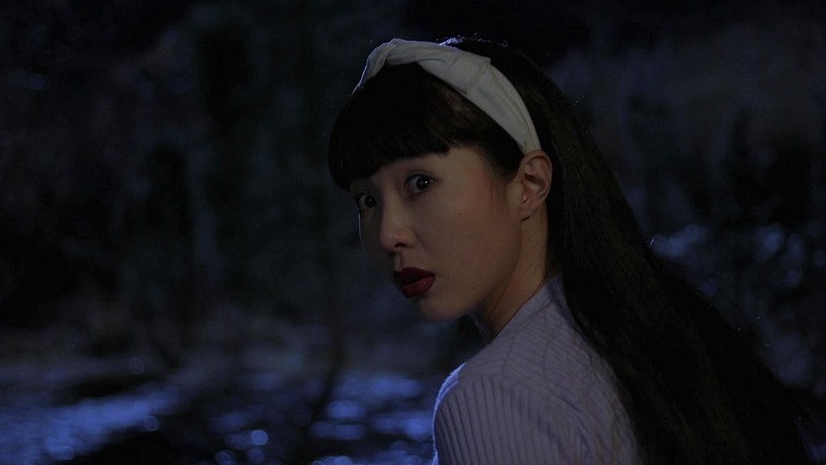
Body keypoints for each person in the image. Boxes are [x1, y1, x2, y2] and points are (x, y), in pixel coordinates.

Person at [328, 37, 814, 464]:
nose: (388, 233)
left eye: (420, 183)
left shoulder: (496, 395)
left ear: (530, 183)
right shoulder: (665, 335)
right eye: (366, 200)